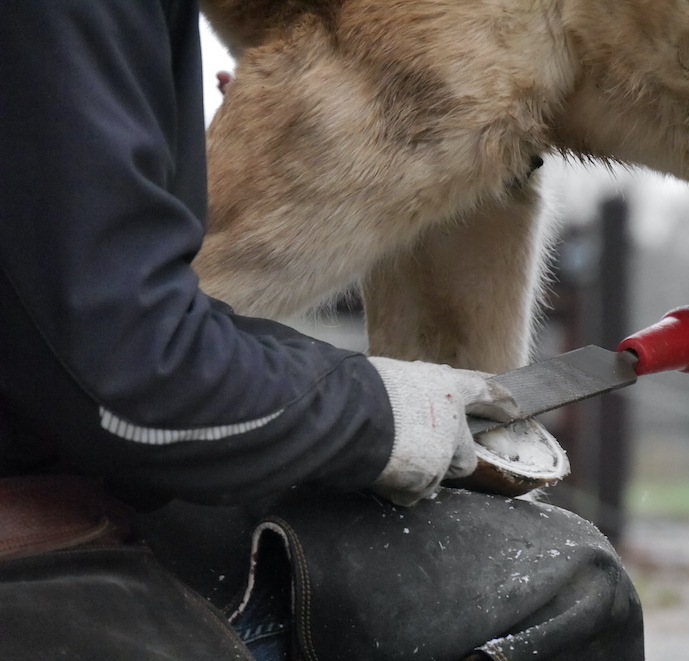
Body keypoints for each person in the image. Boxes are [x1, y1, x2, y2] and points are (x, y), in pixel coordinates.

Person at [0, 2, 644, 660]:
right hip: (38, 544)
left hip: (67, 451)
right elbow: (122, 376)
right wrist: (381, 411)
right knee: (568, 586)